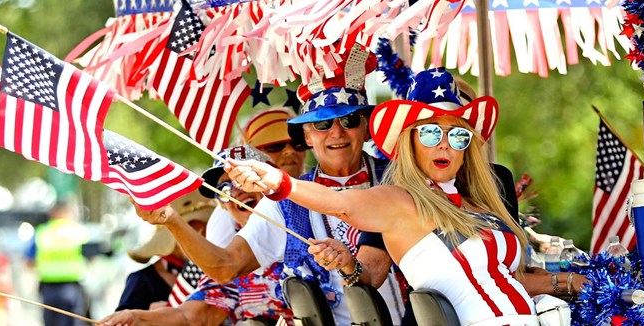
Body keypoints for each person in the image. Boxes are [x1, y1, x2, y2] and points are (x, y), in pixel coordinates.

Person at [225, 68, 542, 325]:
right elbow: (340, 203)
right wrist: (280, 181)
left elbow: (504, 277)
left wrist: (573, 282)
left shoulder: (480, 199)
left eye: (458, 135)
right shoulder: (399, 199)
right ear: (410, 142)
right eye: (431, 133)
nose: (444, 144)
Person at [125, 44, 406, 325]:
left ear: (366, 124)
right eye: (321, 124)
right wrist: (173, 222)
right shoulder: (285, 203)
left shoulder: (403, 179)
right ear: (307, 137)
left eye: (349, 119)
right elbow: (226, 267)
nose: (336, 132)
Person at [99, 145, 294, 325]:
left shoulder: (305, 220)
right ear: (223, 206)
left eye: (242, 179)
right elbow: (191, 315)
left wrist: (173, 221)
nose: (236, 192)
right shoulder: (229, 250)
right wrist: (136, 317)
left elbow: (225, 267)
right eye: (224, 190)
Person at [115, 192, 215, 311]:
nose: (203, 240)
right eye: (194, 233)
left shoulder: (217, 275)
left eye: (207, 232)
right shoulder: (141, 280)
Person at [25, 200, 89, 326]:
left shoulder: (42, 232)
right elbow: (91, 256)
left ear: (52, 213)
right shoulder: (78, 231)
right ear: (68, 212)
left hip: (49, 289)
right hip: (72, 288)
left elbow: (29, 262)